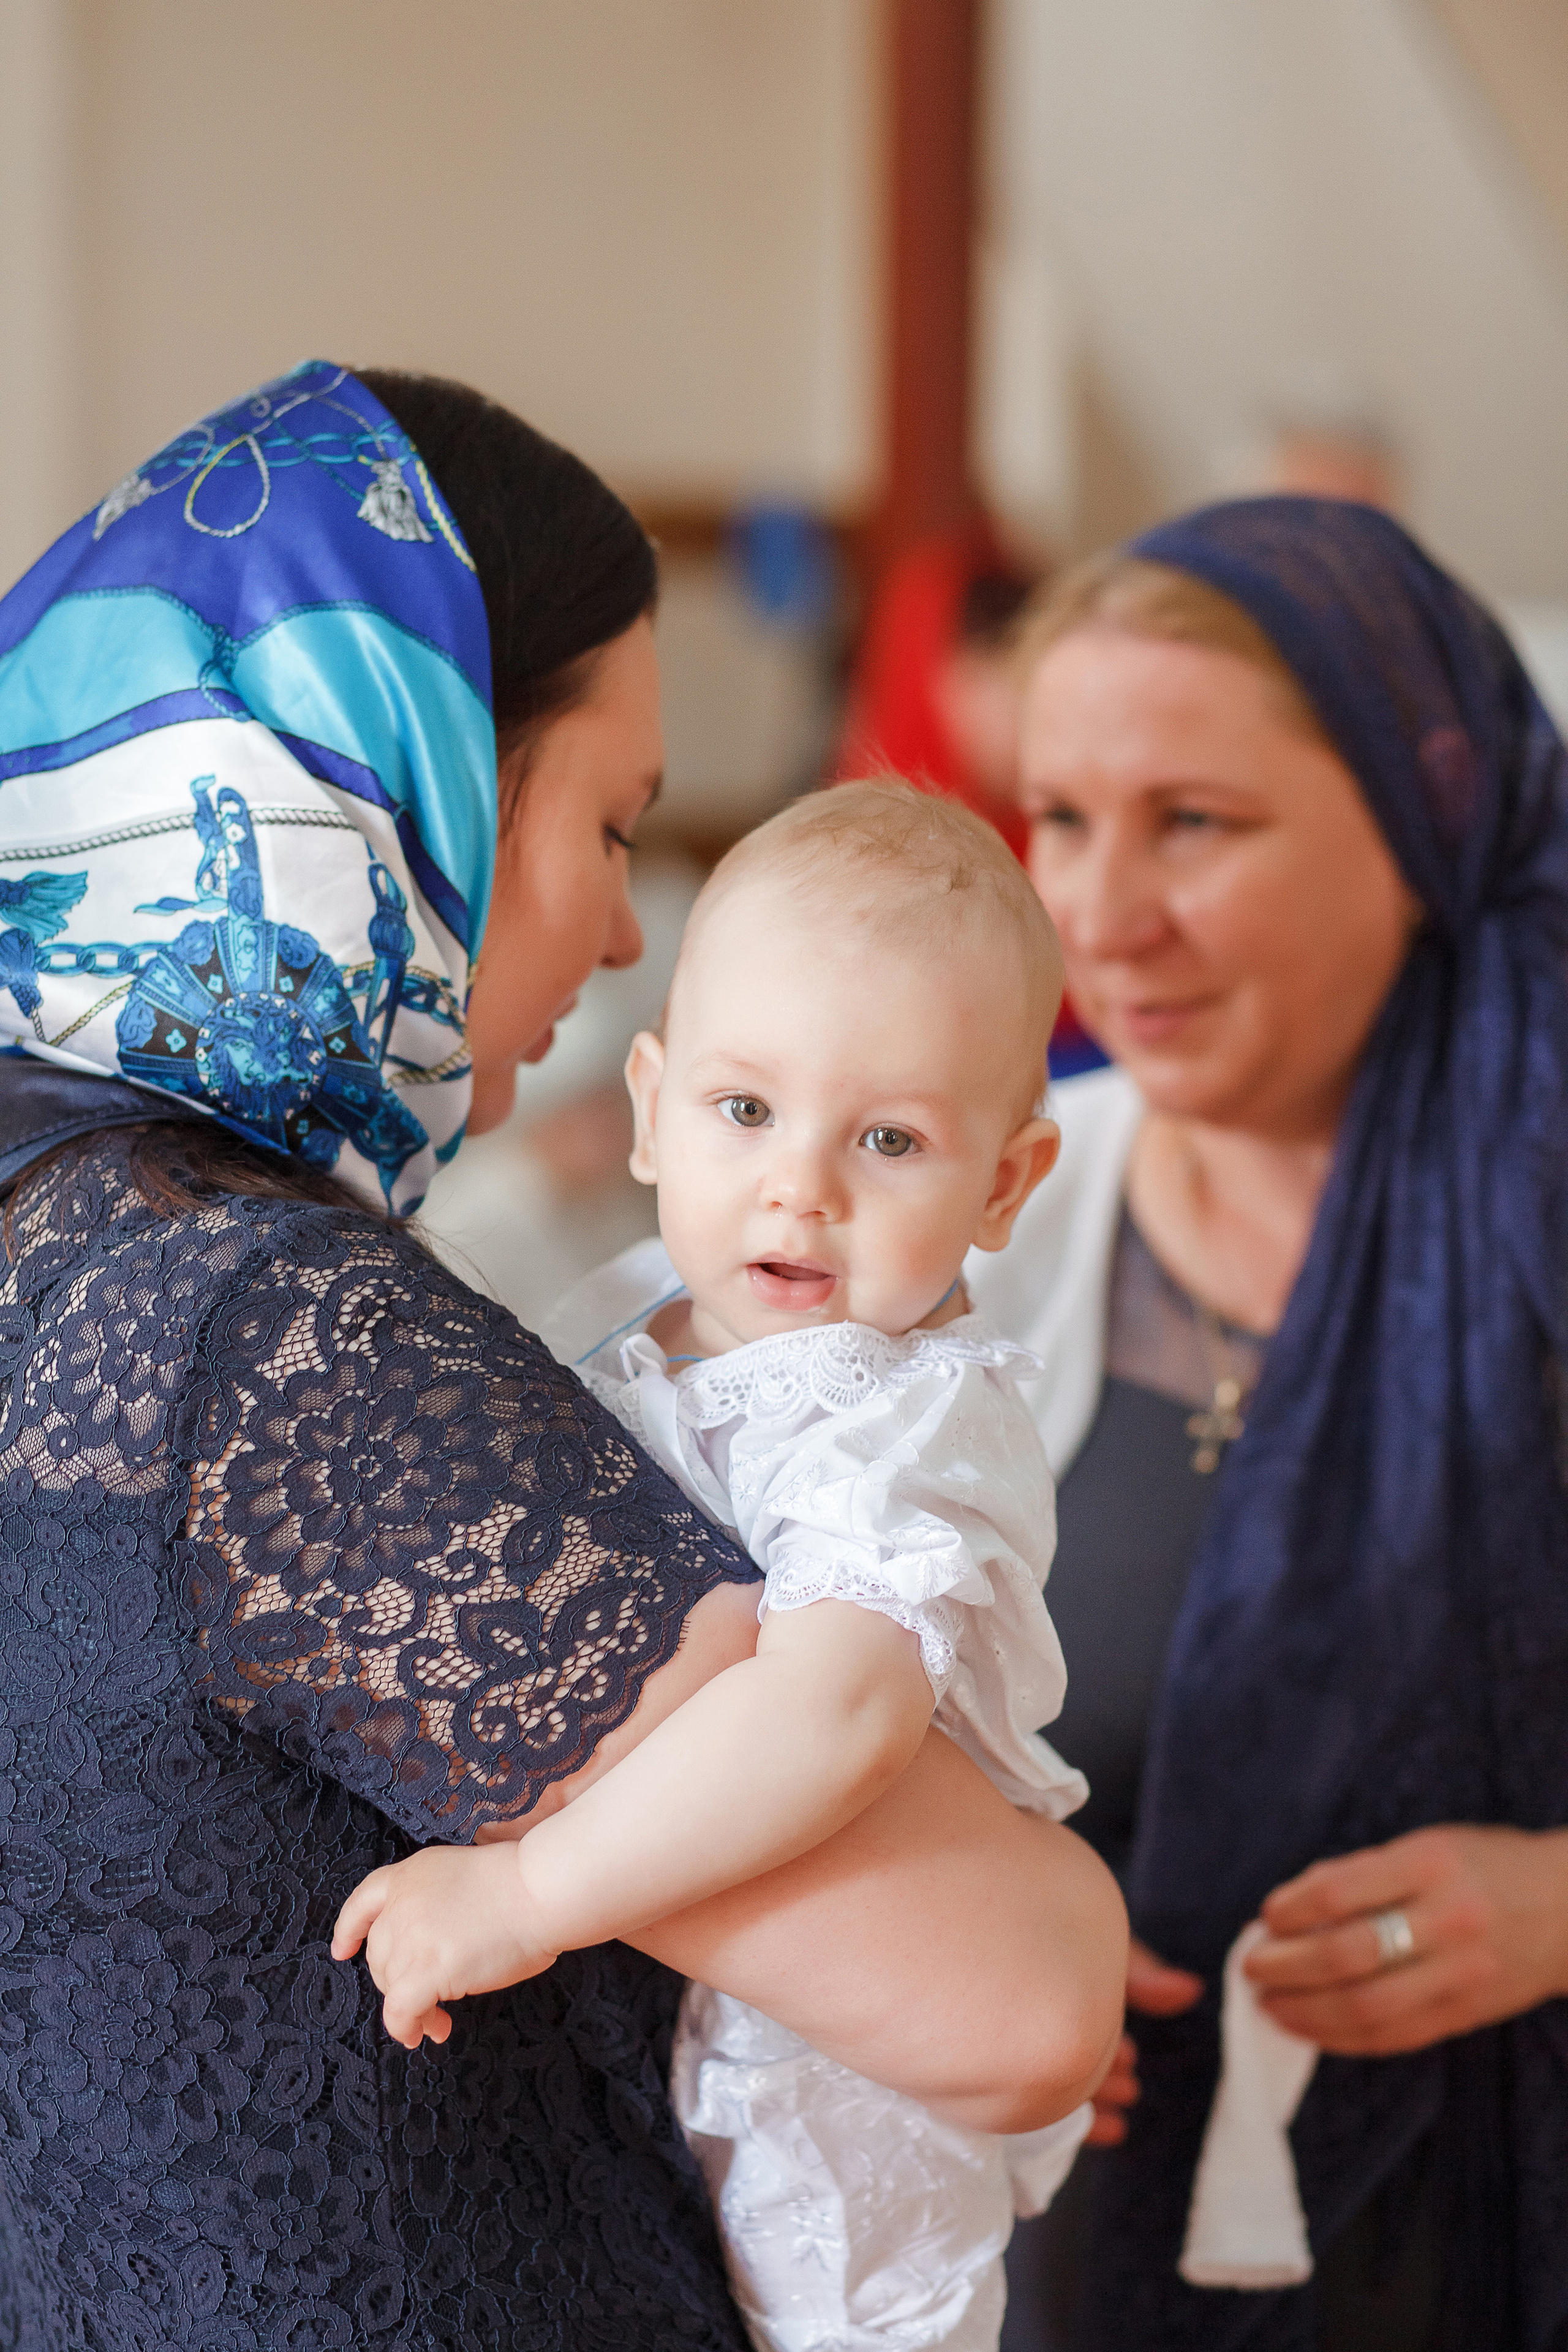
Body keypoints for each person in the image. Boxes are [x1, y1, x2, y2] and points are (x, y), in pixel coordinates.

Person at [0, 360, 1121, 2350]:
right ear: (403, 784)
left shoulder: (51, 1201)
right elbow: (1022, 2006)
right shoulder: (287, 1334)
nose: (618, 934)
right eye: (605, 825)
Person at [334, 782, 1126, 2351]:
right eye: (744, 1111)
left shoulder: (906, 1423)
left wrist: (528, 1891)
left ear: (1005, 1186)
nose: (799, 1186)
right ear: (646, 1104)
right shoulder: (636, 1315)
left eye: (888, 1138)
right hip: (675, 2030)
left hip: (840, 2098)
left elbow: (830, 1718)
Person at [967, 499, 1568, 2351]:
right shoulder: (990, 1253)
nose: (1097, 913)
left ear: (1426, 809)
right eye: (1062, 819)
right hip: (1092, 2274)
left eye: (1195, 825)